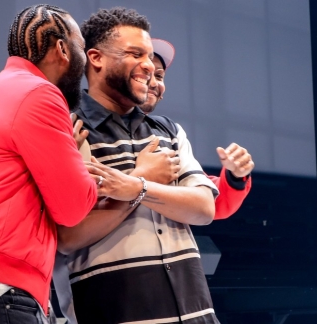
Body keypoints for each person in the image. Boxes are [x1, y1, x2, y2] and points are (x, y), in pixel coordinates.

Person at [0, 5, 140, 324]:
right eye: (80, 48)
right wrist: (92, 166)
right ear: (63, 50)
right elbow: (73, 207)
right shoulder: (40, 95)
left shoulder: (3, 90)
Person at [54, 7, 226, 323]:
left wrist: (136, 187)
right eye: (135, 54)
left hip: (195, 314)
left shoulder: (168, 130)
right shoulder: (67, 128)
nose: (148, 66)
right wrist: (142, 180)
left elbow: (203, 208)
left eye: (149, 57)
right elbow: (69, 236)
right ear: (96, 58)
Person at [141, 38, 253, 220]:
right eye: (145, 73)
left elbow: (209, 201)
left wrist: (235, 176)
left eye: (160, 76)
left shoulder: (170, 133)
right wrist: (140, 178)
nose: (154, 83)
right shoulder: (84, 125)